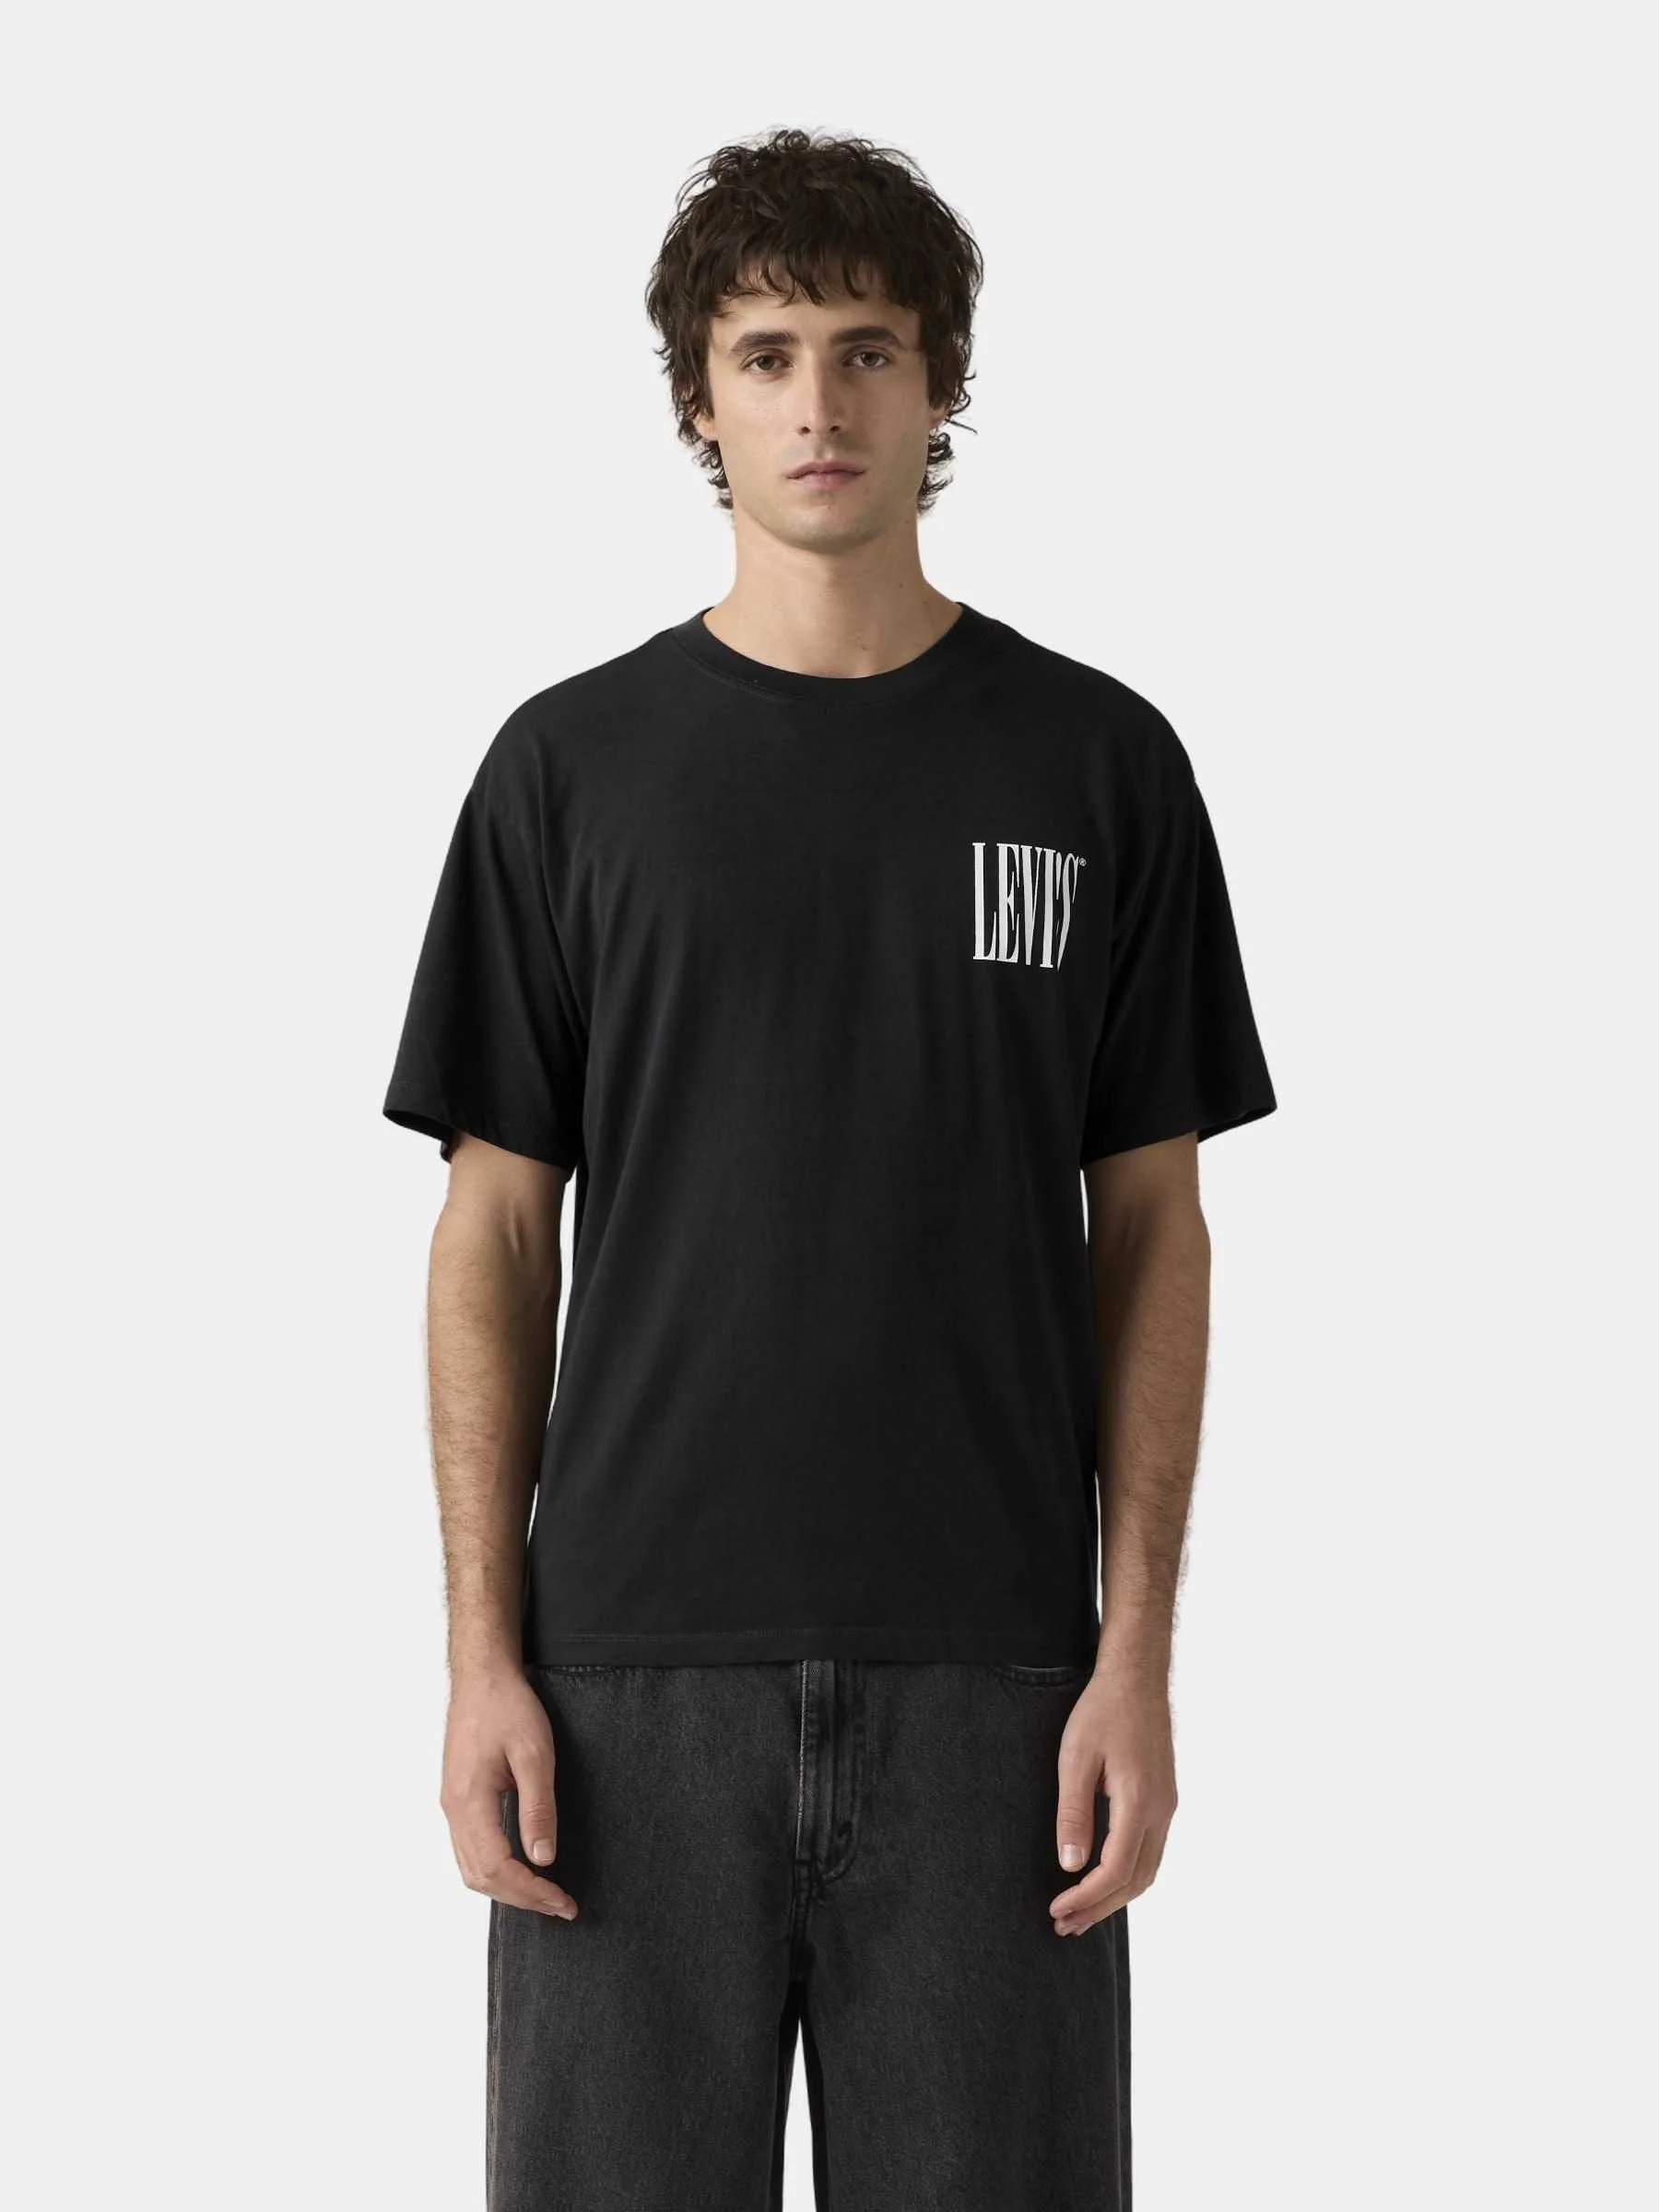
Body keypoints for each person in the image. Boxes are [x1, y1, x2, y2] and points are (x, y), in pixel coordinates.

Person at [382, 125, 1277, 2212]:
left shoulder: (1099, 767)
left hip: (998, 1688)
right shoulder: (567, 773)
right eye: (766, 354)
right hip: (624, 1691)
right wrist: (483, 1656)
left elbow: (1155, 1232)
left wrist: (1135, 1657)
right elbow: (492, 1231)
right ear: (699, 396)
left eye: (869, 350)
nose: (818, 404)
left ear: (939, 385)